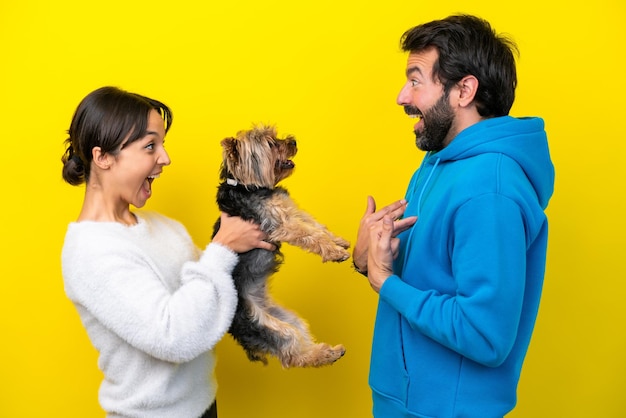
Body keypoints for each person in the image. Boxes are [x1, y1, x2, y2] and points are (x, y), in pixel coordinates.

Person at [352, 15, 555, 417]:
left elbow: (485, 334)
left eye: (415, 80)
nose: (401, 96)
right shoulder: (438, 163)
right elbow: (420, 274)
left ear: (464, 90)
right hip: (405, 403)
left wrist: (385, 282)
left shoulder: (490, 190)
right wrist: (366, 260)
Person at [60, 86, 274, 418]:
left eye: (162, 144)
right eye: (150, 146)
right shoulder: (91, 251)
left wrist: (247, 240)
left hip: (203, 405)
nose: (165, 158)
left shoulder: (164, 227)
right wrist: (223, 247)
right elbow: (174, 337)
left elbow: (210, 301)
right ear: (102, 157)